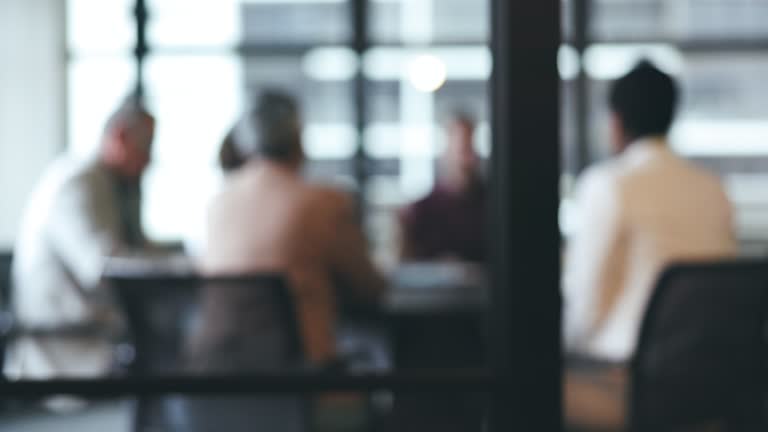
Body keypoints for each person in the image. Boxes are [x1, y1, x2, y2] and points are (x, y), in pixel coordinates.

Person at [563, 61, 737, 429]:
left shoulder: (609, 184)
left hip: (626, 385)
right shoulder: (714, 190)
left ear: (616, 121)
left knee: (525, 384)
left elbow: (585, 306)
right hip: (711, 388)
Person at [196, 90, 386, 365]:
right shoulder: (325, 203)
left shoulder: (217, 203)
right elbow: (369, 287)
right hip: (302, 378)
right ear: (298, 140)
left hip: (217, 376)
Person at [6, 97, 155, 379]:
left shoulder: (111, 185)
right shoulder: (76, 182)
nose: (150, 160)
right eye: (146, 146)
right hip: (64, 350)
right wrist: (172, 269)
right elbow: (104, 268)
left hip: (93, 337)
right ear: (121, 136)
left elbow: (135, 249)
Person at [399, 111, 486, 262]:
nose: (467, 159)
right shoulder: (422, 210)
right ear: (446, 150)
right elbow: (406, 263)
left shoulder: (494, 204)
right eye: (462, 149)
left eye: (470, 147)